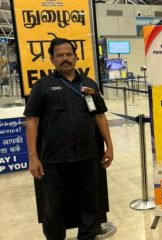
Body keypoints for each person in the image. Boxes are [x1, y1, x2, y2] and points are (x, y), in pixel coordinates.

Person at [24, 38, 114, 240]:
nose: (65, 59)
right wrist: (33, 156)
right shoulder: (42, 86)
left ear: (75, 56)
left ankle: (88, 236)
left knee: (90, 203)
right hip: (54, 160)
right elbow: (32, 120)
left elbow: (99, 116)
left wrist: (109, 147)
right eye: (60, 55)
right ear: (52, 59)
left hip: (88, 156)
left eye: (69, 54)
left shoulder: (89, 85)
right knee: (54, 207)